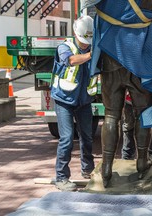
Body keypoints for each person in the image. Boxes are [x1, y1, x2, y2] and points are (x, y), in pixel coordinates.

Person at [86, 0, 152, 187]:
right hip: (139, 55)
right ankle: (141, 161)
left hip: (111, 53)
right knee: (142, 112)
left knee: (111, 114)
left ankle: (106, 166)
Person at [50, 16, 95, 191]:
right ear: (76, 34)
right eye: (83, 41)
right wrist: (90, 55)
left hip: (83, 100)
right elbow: (70, 60)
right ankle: (61, 177)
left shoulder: (92, 47)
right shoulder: (65, 47)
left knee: (87, 137)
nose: (85, 44)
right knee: (67, 138)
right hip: (64, 100)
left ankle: (88, 169)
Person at [121, 93, 152, 162]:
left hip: (137, 99)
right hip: (141, 99)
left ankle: (127, 158)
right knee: (148, 129)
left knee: (130, 129)